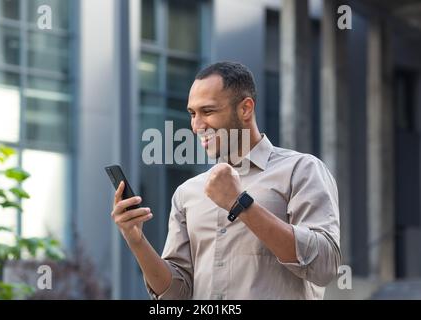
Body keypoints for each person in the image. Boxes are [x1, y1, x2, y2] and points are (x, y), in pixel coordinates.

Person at [110, 62, 341, 300]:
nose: (197, 126)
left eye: (208, 111)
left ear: (245, 109)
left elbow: (325, 266)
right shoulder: (187, 193)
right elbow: (176, 296)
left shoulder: (300, 170)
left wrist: (241, 204)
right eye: (192, 113)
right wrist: (136, 240)